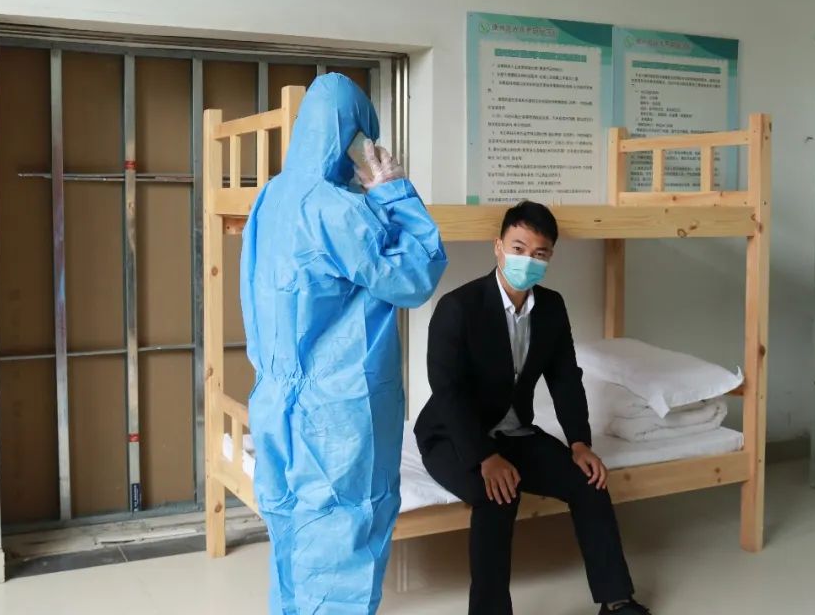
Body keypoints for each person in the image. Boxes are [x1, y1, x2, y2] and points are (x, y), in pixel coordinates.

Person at [241, 73, 447, 614]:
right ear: (354, 137)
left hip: (276, 402)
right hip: (338, 411)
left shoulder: (271, 198)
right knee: (344, 546)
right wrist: (394, 191)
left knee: (291, 534)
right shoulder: (338, 210)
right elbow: (416, 275)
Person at [414, 201, 650, 615]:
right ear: (498, 247)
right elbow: (447, 391)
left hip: (515, 432)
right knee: (497, 495)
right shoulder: (458, 306)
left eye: (539, 253)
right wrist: (485, 457)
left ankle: (616, 601)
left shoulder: (551, 308)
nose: (528, 260)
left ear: (549, 257)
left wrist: (579, 442)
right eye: (518, 248)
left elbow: (565, 378)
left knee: (588, 481)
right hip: (453, 436)